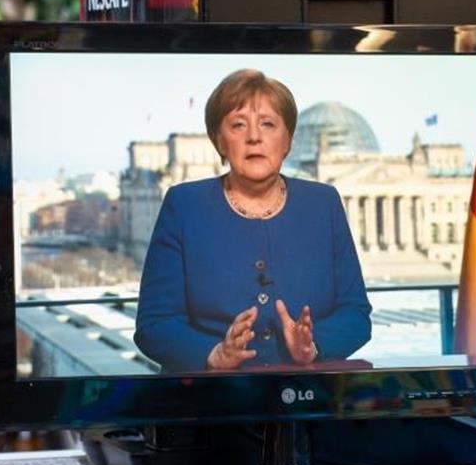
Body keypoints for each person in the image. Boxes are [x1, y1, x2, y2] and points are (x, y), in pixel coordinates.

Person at [134, 68, 372, 373]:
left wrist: (313, 347)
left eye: (268, 124)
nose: (254, 137)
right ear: (219, 141)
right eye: (238, 125)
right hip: (213, 401)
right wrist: (214, 354)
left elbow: (355, 314)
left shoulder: (323, 203)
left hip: (308, 398)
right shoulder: (184, 205)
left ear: (287, 140)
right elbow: (154, 324)